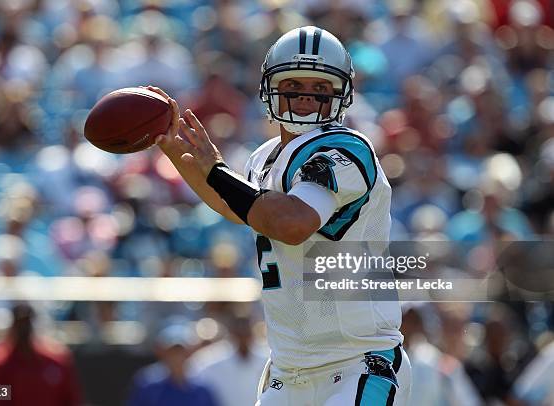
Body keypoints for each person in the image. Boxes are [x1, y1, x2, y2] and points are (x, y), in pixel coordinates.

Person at [150, 25, 411, 405]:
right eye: (293, 86)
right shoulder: (264, 157)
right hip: (288, 373)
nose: (305, 97)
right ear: (271, 89)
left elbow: (291, 223)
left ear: (341, 94)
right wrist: (180, 155)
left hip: (357, 364)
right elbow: (237, 207)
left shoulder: (348, 149)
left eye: (319, 89)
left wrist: (217, 172)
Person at [0, 303, 82, 406]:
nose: (24, 329)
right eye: (20, 324)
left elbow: (72, 399)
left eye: (27, 323)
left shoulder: (57, 360)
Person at [126, 323, 219, 406]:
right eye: (172, 352)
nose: (177, 357)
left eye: (180, 352)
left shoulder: (202, 391)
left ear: (189, 353)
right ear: (162, 353)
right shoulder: (148, 385)